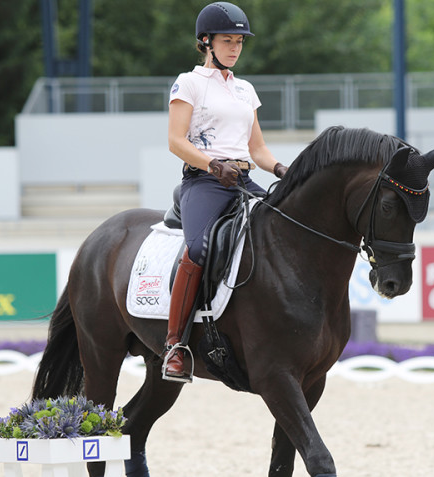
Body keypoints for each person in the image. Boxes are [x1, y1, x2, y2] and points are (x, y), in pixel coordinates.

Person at [163, 1, 288, 382]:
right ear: (206, 41)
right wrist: (214, 165)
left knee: (284, 230)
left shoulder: (246, 90)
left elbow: (258, 150)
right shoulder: (189, 83)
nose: (235, 47)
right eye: (227, 40)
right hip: (205, 182)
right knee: (199, 248)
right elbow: (175, 140)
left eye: (239, 41)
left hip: (245, 178)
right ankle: (175, 345)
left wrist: (285, 169)